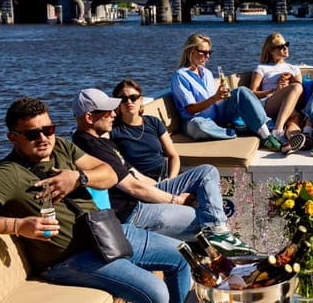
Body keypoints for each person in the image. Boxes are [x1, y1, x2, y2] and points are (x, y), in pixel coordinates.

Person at [0, 97, 190, 303]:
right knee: (155, 292)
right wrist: (18, 226)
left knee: (183, 257)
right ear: (13, 138)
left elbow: (109, 173)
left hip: (106, 234)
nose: (43, 138)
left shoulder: (61, 147)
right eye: (32, 134)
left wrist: (78, 178)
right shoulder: (8, 174)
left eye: (48, 129)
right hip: (70, 259)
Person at [72, 88, 255, 256]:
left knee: (207, 172)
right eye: (107, 111)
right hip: (132, 212)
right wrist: (176, 201)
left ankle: (219, 234)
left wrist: (163, 189)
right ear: (89, 117)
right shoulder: (88, 146)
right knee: (203, 217)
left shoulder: (102, 140)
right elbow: (133, 188)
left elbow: (135, 174)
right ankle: (222, 247)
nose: (113, 114)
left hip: (143, 195)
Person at [170, 33, 282, 151]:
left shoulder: (207, 73)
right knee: (199, 126)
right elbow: (190, 109)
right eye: (203, 52)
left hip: (217, 116)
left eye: (209, 53)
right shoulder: (180, 76)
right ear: (191, 51)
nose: (207, 56)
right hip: (195, 120)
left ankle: (266, 135)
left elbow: (214, 103)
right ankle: (236, 131)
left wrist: (223, 97)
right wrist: (215, 98)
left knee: (241, 91)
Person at [111, 79, 179, 180]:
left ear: (140, 100)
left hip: (165, 177)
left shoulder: (153, 122)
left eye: (133, 98)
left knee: (206, 171)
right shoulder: (113, 131)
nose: (129, 102)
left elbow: (173, 156)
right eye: (123, 99)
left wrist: (171, 179)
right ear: (118, 103)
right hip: (139, 184)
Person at [248, 32, 305, 153]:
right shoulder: (262, 68)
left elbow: (300, 94)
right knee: (297, 87)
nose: (285, 48)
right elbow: (251, 93)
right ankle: (278, 130)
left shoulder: (293, 69)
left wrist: (289, 84)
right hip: (268, 105)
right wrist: (275, 90)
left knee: (294, 118)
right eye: (280, 46)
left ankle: (291, 140)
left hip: (288, 107)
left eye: (286, 44)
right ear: (271, 51)